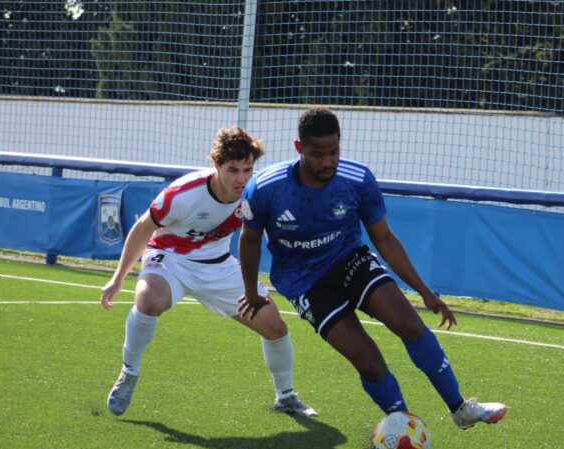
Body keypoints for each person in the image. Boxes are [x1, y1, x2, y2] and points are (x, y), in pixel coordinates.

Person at [238, 108, 506, 429]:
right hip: (305, 282)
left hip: (350, 260)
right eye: (317, 154)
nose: (327, 162)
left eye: (334, 151)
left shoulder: (357, 179)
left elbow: (384, 238)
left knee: (409, 324)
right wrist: (252, 291)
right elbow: (249, 240)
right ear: (299, 148)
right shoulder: (267, 188)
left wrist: (424, 292)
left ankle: (460, 408)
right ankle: (405, 428)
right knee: (369, 361)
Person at [101, 126, 317, 418]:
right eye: (233, 170)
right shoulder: (183, 194)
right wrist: (118, 277)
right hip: (170, 259)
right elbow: (143, 229)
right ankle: (129, 371)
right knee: (149, 302)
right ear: (216, 166)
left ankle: (286, 397)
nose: (241, 178)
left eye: (248, 169)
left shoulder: (255, 193)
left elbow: (269, 234)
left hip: (219, 265)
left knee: (275, 327)